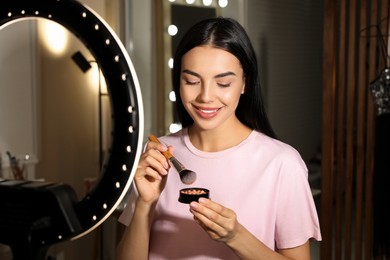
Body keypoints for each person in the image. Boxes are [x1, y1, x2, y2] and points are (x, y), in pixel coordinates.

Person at [116, 17, 321, 260]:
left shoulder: (282, 164)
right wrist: (144, 206)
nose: (205, 96)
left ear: (245, 83)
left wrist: (235, 236)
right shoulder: (159, 156)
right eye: (191, 81)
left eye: (223, 83)